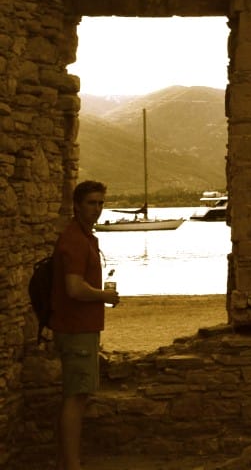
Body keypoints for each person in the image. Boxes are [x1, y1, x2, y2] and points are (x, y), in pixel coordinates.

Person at [51, 180, 120, 470]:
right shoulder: (75, 241)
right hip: (75, 327)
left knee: (80, 393)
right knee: (76, 396)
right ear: (77, 205)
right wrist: (105, 295)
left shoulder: (86, 237)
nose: (97, 209)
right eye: (92, 203)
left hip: (83, 327)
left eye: (101, 203)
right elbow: (74, 289)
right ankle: (72, 464)